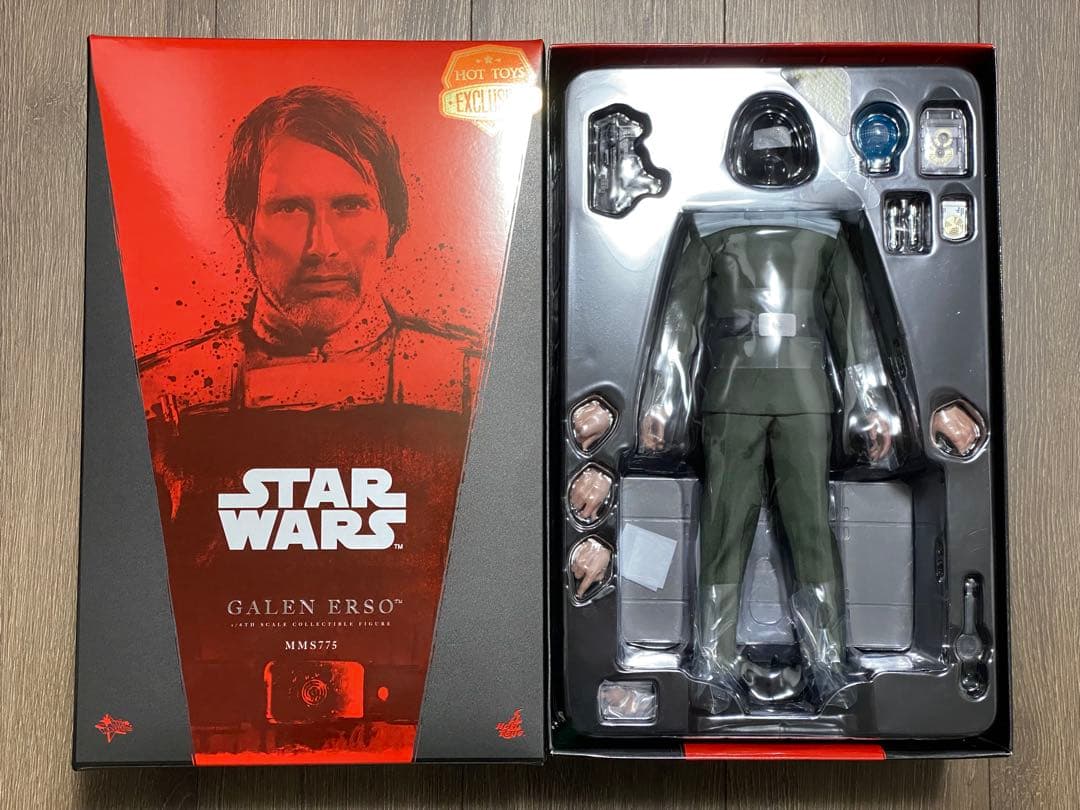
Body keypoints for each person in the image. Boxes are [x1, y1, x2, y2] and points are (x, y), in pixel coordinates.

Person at [139, 85, 478, 426]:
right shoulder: (162, 394)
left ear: (392, 224)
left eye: (349, 206)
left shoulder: (472, 383)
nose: (321, 247)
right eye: (290, 208)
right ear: (243, 226)